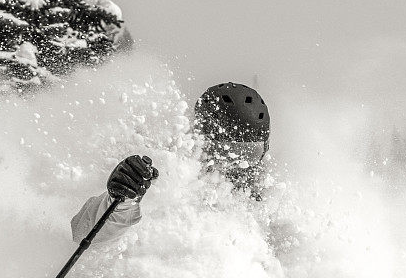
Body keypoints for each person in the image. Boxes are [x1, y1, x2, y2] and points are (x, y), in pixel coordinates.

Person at [70, 82, 271, 243]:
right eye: (225, 155)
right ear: (200, 143)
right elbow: (81, 233)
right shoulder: (168, 178)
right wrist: (121, 203)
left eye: (251, 154)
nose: (239, 168)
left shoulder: (266, 196)